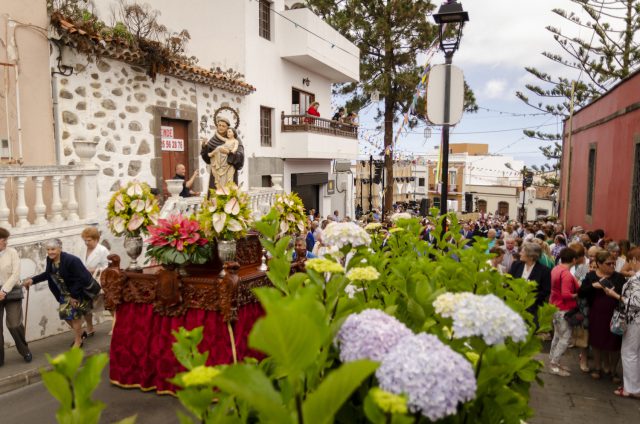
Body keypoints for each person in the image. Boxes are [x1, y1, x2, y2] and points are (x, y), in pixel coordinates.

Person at [23, 239, 94, 348]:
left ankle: (78, 341)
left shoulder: (71, 260)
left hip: (75, 291)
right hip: (63, 293)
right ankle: (81, 332)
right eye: (48, 249)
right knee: (65, 315)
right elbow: (48, 274)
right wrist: (32, 280)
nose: (50, 252)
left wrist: (74, 296)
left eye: (53, 249)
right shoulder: (50, 260)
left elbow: (81, 278)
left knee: (74, 316)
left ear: (60, 248)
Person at [579, 250, 626, 382]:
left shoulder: (619, 277)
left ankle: (612, 370)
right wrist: (594, 286)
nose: (612, 266)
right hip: (596, 313)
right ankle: (598, 367)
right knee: (596, 342)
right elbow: (581, 293)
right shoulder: (591, 276)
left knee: (615, 343)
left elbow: (624, 296)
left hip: (615, 314)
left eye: (613, 263)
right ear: (599, 264)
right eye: (608, 263)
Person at [602, 247, 640, 399]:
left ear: (635, 260)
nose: (630, 264)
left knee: (629, 353)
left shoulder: (637, 279)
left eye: (631, 261)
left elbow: (636, 302)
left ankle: (631, 388)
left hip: (635, 319)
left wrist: (615, 295)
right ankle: (634, 385)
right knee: (636, 353)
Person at [0, 227, 32, 365]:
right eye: (3, 239)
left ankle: (25, 350)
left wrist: (4, 291)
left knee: (14, 324)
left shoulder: (12, 252)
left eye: (6, 239)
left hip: (11, 291)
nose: (6, 242)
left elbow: (15, 274)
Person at [547, 247, 580, 376]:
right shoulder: (566, 273)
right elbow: (566, 294)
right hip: (563, 308)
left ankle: (553, 361)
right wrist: (578, 294)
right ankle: (554, 364)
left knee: (557, 335)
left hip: (555, 305)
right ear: (573, 259)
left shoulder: (556, 269)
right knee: (565, 337)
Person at [508, 242, 551, 325]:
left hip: (532, 309)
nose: (520, 253)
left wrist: (530, 299)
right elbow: (509, 282)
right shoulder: (516, 265)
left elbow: (546, 291)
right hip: (514, 306)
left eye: (523, 252)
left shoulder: (544, 271)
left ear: (531, 256)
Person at [200, 116, 245, 191]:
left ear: (227, 128)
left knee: (229, 193)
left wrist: (229, 153)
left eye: (223, 126)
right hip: (216, 171)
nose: (220, 127)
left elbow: (241, 156)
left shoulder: (235, 139)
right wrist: (204, 147)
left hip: (229, 170)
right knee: (215, 196)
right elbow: (207, 159)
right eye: (219, 125)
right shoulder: (213, 139)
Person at [80, 227, 109, 337]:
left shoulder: (102, 250)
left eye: (89, 240)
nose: (87, 243)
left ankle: (114, 326)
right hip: (86, 281)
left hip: (99, 281)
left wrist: (93, 270)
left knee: (107, 304)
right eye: (85, 240)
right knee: (86, 306)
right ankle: (90, 327)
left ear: (96, 239)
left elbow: (108, 266)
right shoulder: (83, 249)